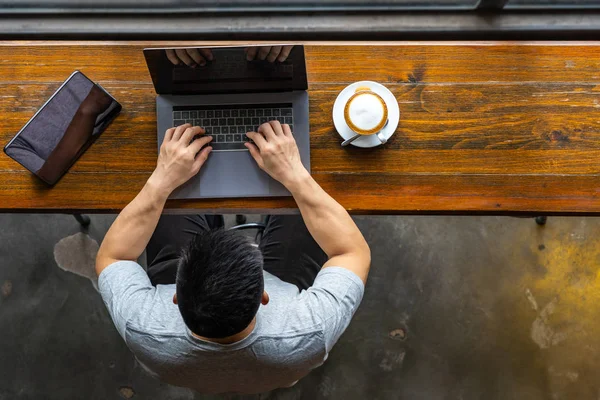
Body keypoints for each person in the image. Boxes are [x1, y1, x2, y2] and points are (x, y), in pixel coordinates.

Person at [95, 120, 371, 394]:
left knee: (169, 202)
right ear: (265, 296)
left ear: (176, 295)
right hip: (280, 366)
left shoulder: (141, 325)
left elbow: (112, 258)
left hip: (190, 373)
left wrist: (161, 182)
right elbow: (352, 252)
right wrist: (294, 175)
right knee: (314, 200)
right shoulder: (311, 329)